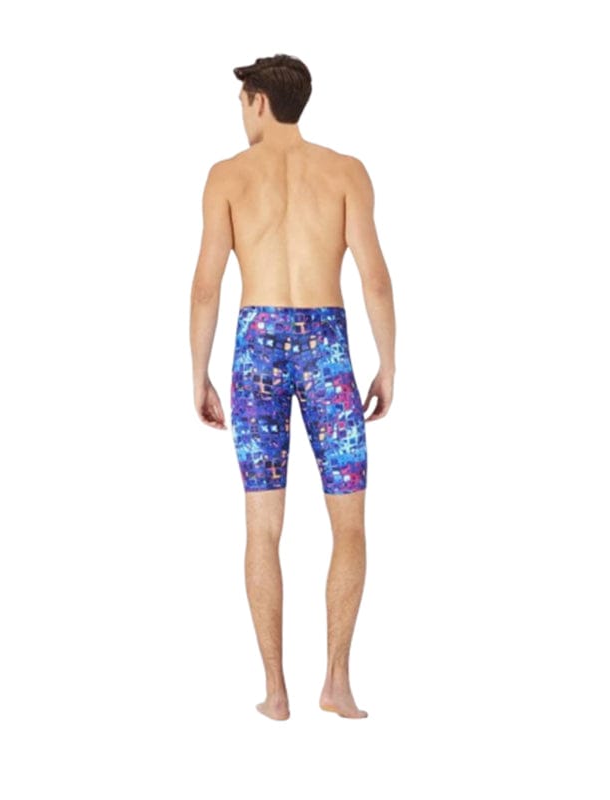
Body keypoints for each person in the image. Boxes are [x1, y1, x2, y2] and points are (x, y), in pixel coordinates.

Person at [189, 53, 396, 720]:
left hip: (257, 350)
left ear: (258, 100)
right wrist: (388, 363)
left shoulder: (227, 176)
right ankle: (337, 682)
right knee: (350, 523)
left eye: (241, 103)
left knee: (262, 525)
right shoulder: (346, 171)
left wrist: (198, 373)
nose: (240, 115)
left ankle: (276, 692)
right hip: (328, 349)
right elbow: (374, 276)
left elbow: (206, 286)